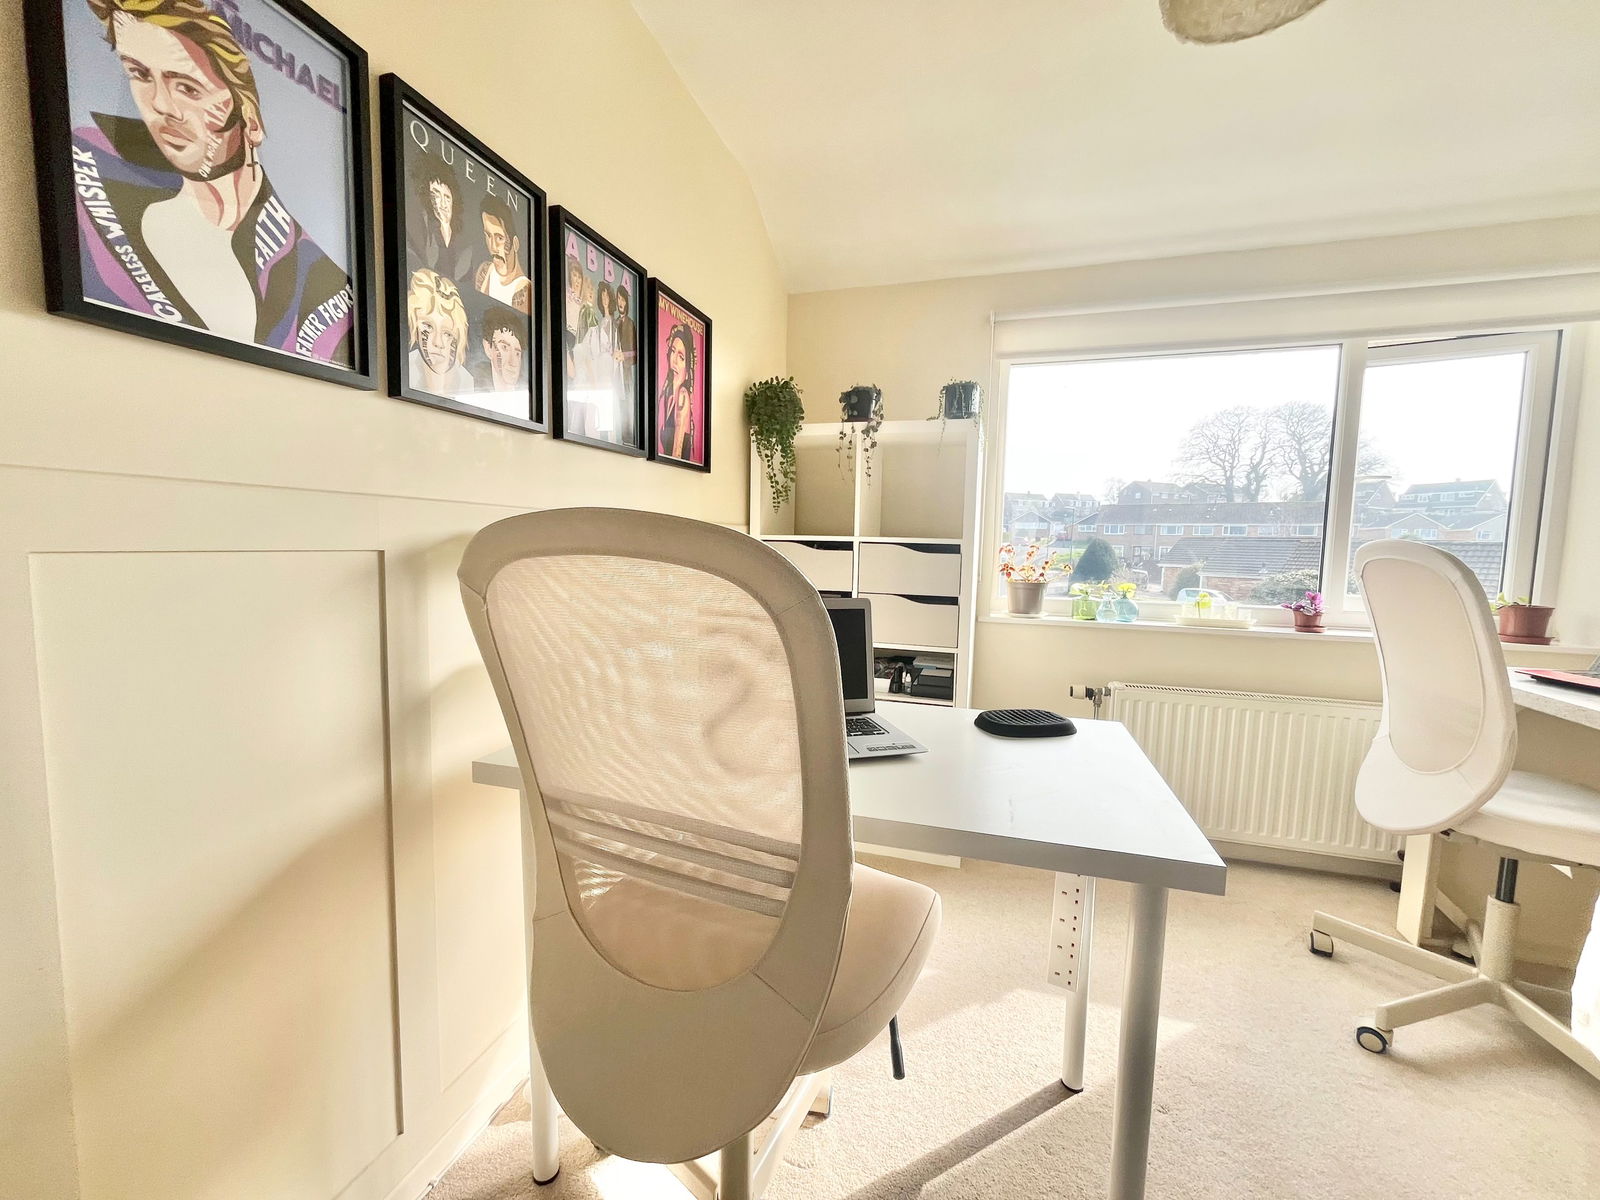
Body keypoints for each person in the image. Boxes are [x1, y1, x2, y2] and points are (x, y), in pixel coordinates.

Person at [71, 0, 356, 364]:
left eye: (188, 88)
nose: (161, 106)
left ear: (251, 120)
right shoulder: (87, 171)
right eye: (140, 75)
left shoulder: (322, 288)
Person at [406, 268, 472, 396]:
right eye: (428, 326)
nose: (438, 343)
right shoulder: (406, 369)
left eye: (447, 333)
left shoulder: (467, 381)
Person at [408, 153, 471, 282]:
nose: (442, 204)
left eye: (447, 197)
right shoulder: (424, 232)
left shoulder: (464, 245)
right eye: (436, 196)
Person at [473, 196, 530, 313]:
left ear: (515, 243)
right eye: (488, 236)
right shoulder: (486, 271)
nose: (493, 247)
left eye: (500, 238)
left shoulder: (524, 289)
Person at [657, 323, 697, 460]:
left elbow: (676, 454)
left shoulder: (682, 396)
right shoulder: (668, 396)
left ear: (688, 370)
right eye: (673, 351)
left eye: (681, 357)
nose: (674, 361)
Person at [476, 305, 525, 396]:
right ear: (488, 348)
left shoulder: (528, 394)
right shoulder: (471, 385)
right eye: (505, 347)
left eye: (517, 353)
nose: (513, 362)